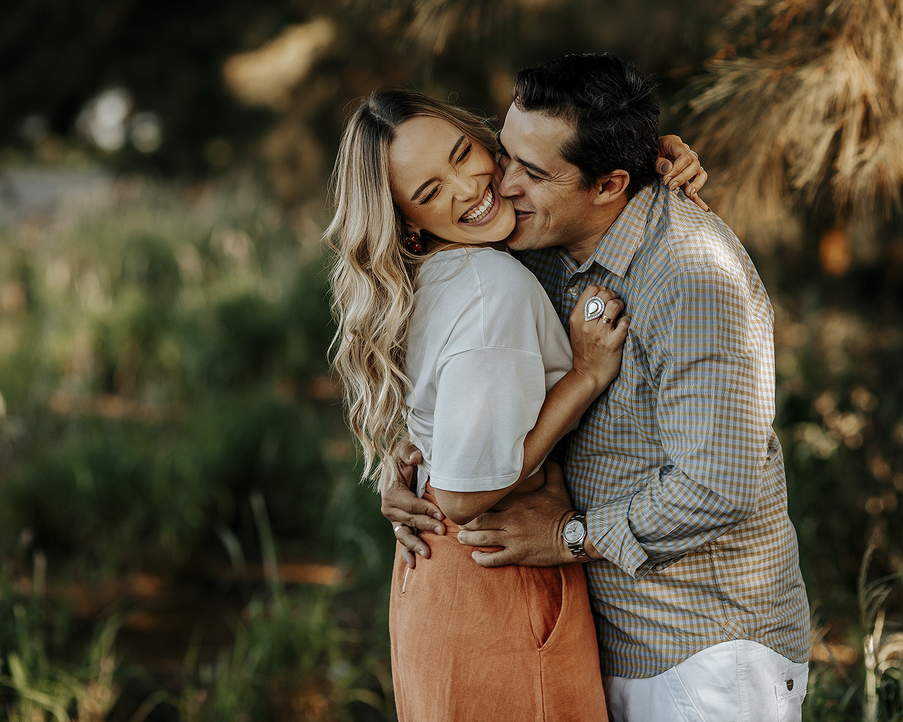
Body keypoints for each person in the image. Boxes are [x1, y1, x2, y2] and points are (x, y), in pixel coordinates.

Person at [383, 53, 812, 722]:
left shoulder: (690, 278)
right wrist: (409, 460)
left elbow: (719, 484)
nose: (499, 185)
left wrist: (569, 537)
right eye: (505, 153)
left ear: (610, 185)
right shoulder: (537, 239)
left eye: (533, 172)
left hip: (703, 653)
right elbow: (462, 362)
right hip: (599, 637)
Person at [325, 87, 703, 721]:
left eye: (463, 154)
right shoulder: (488, 286)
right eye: (428, 192)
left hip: (442, 587)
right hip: (496, 578)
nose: (468, 188)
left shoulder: (451, 271)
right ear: (408, 222)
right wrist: (584, 376)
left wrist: (649, 157)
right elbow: (463, 496)